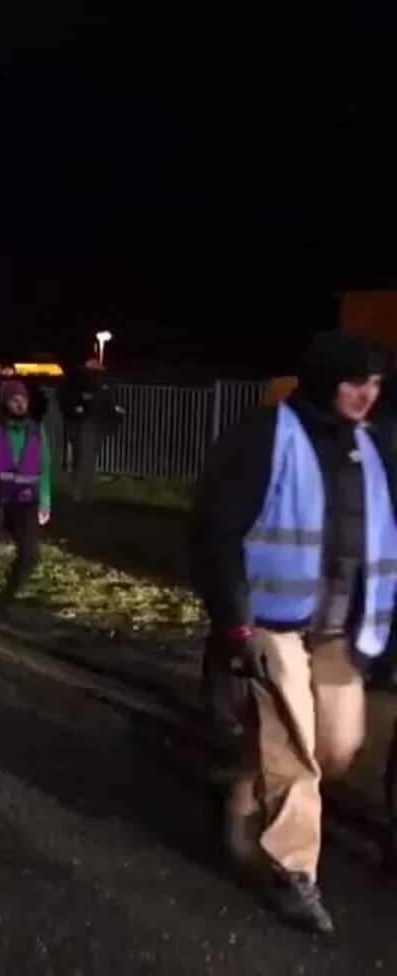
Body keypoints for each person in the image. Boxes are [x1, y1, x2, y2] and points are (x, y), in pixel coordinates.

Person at [189, 332, 394, 935]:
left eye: (377, 382)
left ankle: (246, 789)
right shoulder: (265, 435)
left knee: (338, 746)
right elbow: (216, 528)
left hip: (337, 628)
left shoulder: (370, 448)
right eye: (357, 380)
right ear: (327, 377)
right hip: (270, 623)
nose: (367, 393)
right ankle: (294, 873)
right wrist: (233, 619)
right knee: (299, 746)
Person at [0, 379, 52, 628]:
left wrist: (45, 501)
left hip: (25, 499)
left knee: (30, 554)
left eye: (24, 399)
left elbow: (45, 466)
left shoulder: (35, 430)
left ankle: (1, 604)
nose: (21, 403)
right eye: (15, 399)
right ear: (4, 401)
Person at [67, 360, 124, 503]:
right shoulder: (87, 386)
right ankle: (80, 491)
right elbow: (79, 403)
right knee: (85, 457)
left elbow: (106, 404)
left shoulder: (98, 386)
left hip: (94, 423)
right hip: (87, 424)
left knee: (87, 457)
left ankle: (83, 491)